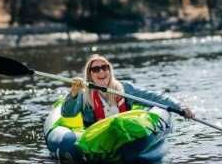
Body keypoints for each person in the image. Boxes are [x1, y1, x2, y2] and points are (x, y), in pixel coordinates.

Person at [61, 54, 194, 127]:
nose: (101, 71)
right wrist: (73, 94)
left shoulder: (124, 88)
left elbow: (153, 97)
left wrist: (180, 106)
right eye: (96, 69)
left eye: (104, 67)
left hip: (125, 133)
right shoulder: (84, 94)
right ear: (90, 75)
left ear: (109, 70)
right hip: (97, 139)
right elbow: (67, 114)